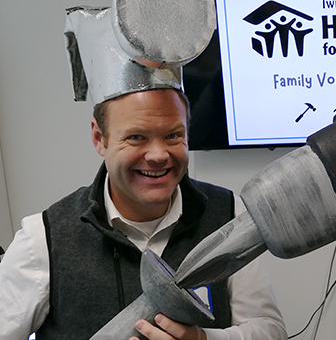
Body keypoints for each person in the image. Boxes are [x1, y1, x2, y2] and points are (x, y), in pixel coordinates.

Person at [0, 88, 287, 340]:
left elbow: (269, 329)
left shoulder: (229, 214)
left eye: (173, 135)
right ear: (100, 138)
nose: (159, 155)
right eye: (137, 137)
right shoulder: (43, 238)